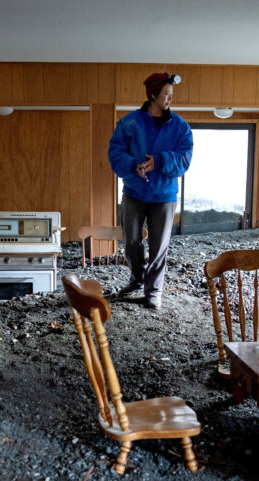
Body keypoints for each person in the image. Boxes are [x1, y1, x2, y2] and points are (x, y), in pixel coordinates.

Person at [108, 72, 193, 310]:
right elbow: (115, 154)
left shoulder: (180, 127)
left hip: (164, 195)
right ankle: (136, 281)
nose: (169, 100)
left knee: (159, 245)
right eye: (166, 94)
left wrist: (160, 161)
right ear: (152, 94)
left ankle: (153, 291)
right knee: (131, 241)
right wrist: (133, 167)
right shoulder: (129, 123)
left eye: (171, 95)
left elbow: (184, 159)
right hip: (134, 191)